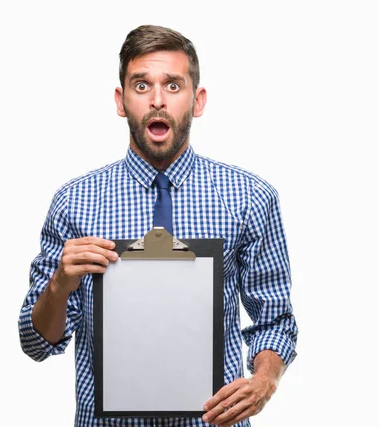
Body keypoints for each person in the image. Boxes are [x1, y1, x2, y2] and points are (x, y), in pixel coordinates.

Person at [18, 24, 298, 427]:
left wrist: (265, 380)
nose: (157, 101)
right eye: (141, 85)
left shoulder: (250, 197)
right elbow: (36, 343)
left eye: (172, 85)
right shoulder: (74, 202)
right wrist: (60, 283)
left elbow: (275, 320)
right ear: (121, 100)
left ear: (197, 100)